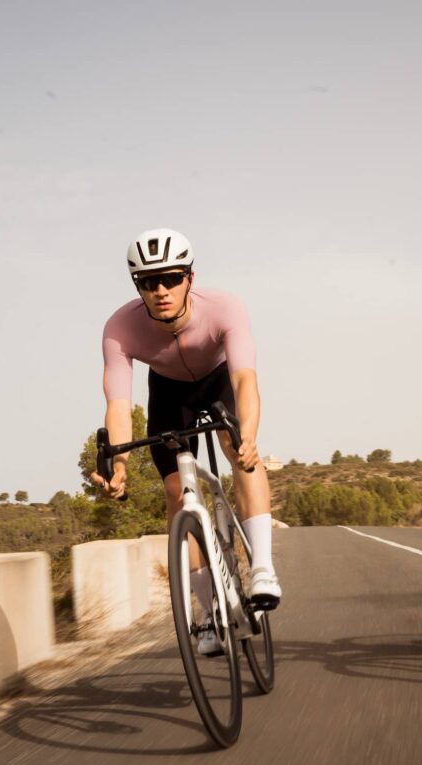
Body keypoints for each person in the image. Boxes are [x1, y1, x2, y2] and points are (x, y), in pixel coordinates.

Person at [92, 228, 280, 654]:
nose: (160, 290)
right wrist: (118, 467)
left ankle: (263, 569)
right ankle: (208, 613)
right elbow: (118, 404)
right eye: (147, 282)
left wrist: (247, 434)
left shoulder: (224, 308)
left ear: (190, 278)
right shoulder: (119, 328)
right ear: (137, 286)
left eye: (171, 279)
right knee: (177, 491)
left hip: (219, 383)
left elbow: (245, 379)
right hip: (169, 393)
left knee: (238, 452)